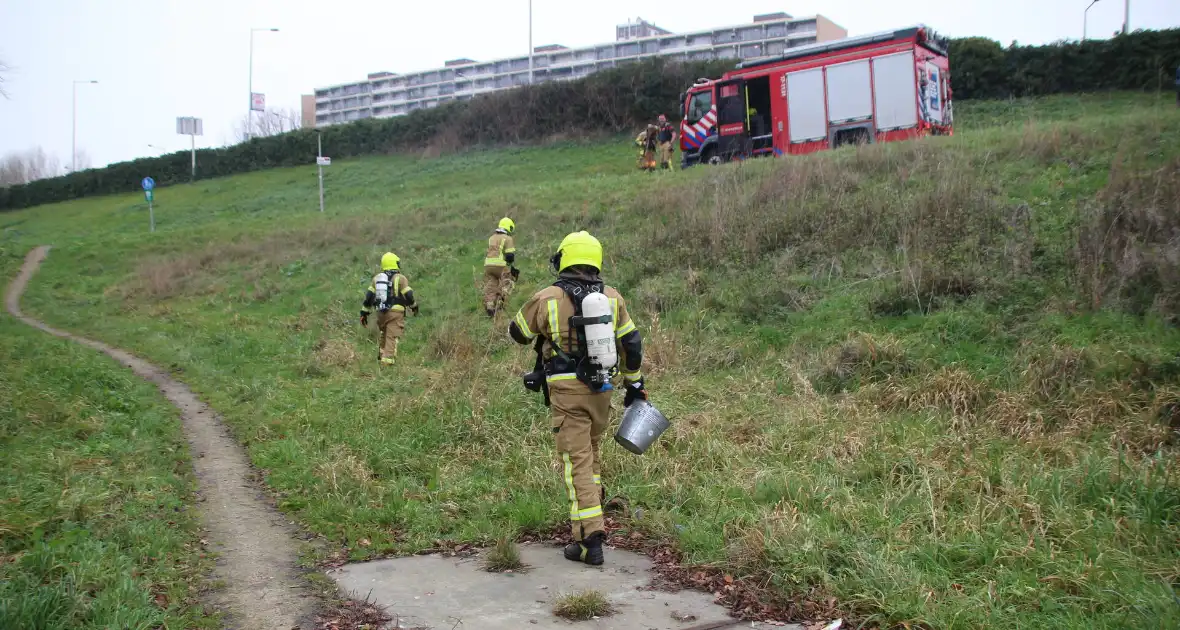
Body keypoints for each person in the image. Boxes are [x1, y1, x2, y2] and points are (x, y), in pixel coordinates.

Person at [508, 231, 646, 566]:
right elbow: (632, 344)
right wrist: (635, 384)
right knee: (592, 457)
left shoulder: (548, 297)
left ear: (563, 258)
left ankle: (590, 540)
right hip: (603, 389)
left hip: (568, 392)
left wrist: (550, 331)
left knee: (576, 464)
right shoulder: (612, 297)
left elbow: (518, 332)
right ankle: (590, 523)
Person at [360, 252, 418, 366]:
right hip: (396, 313)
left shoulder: (377, 278)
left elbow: (369, 297)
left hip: (380, 313)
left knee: (385, 334)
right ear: (395, 263)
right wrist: (414, 306)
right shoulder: (400, 278)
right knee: (392, 337)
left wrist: (364, 313)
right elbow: (409, 295)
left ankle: (381, 357)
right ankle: (387, 365)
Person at [483, 217, 518, 317]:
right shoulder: (507, 238)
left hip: (488, 265)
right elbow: (510, 256)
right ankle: (501, 301)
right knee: (508, 281)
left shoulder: (492, 238)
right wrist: (511, 266)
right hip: (500, 265)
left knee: (492, 284)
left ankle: (489, 306)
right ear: (509, 227)